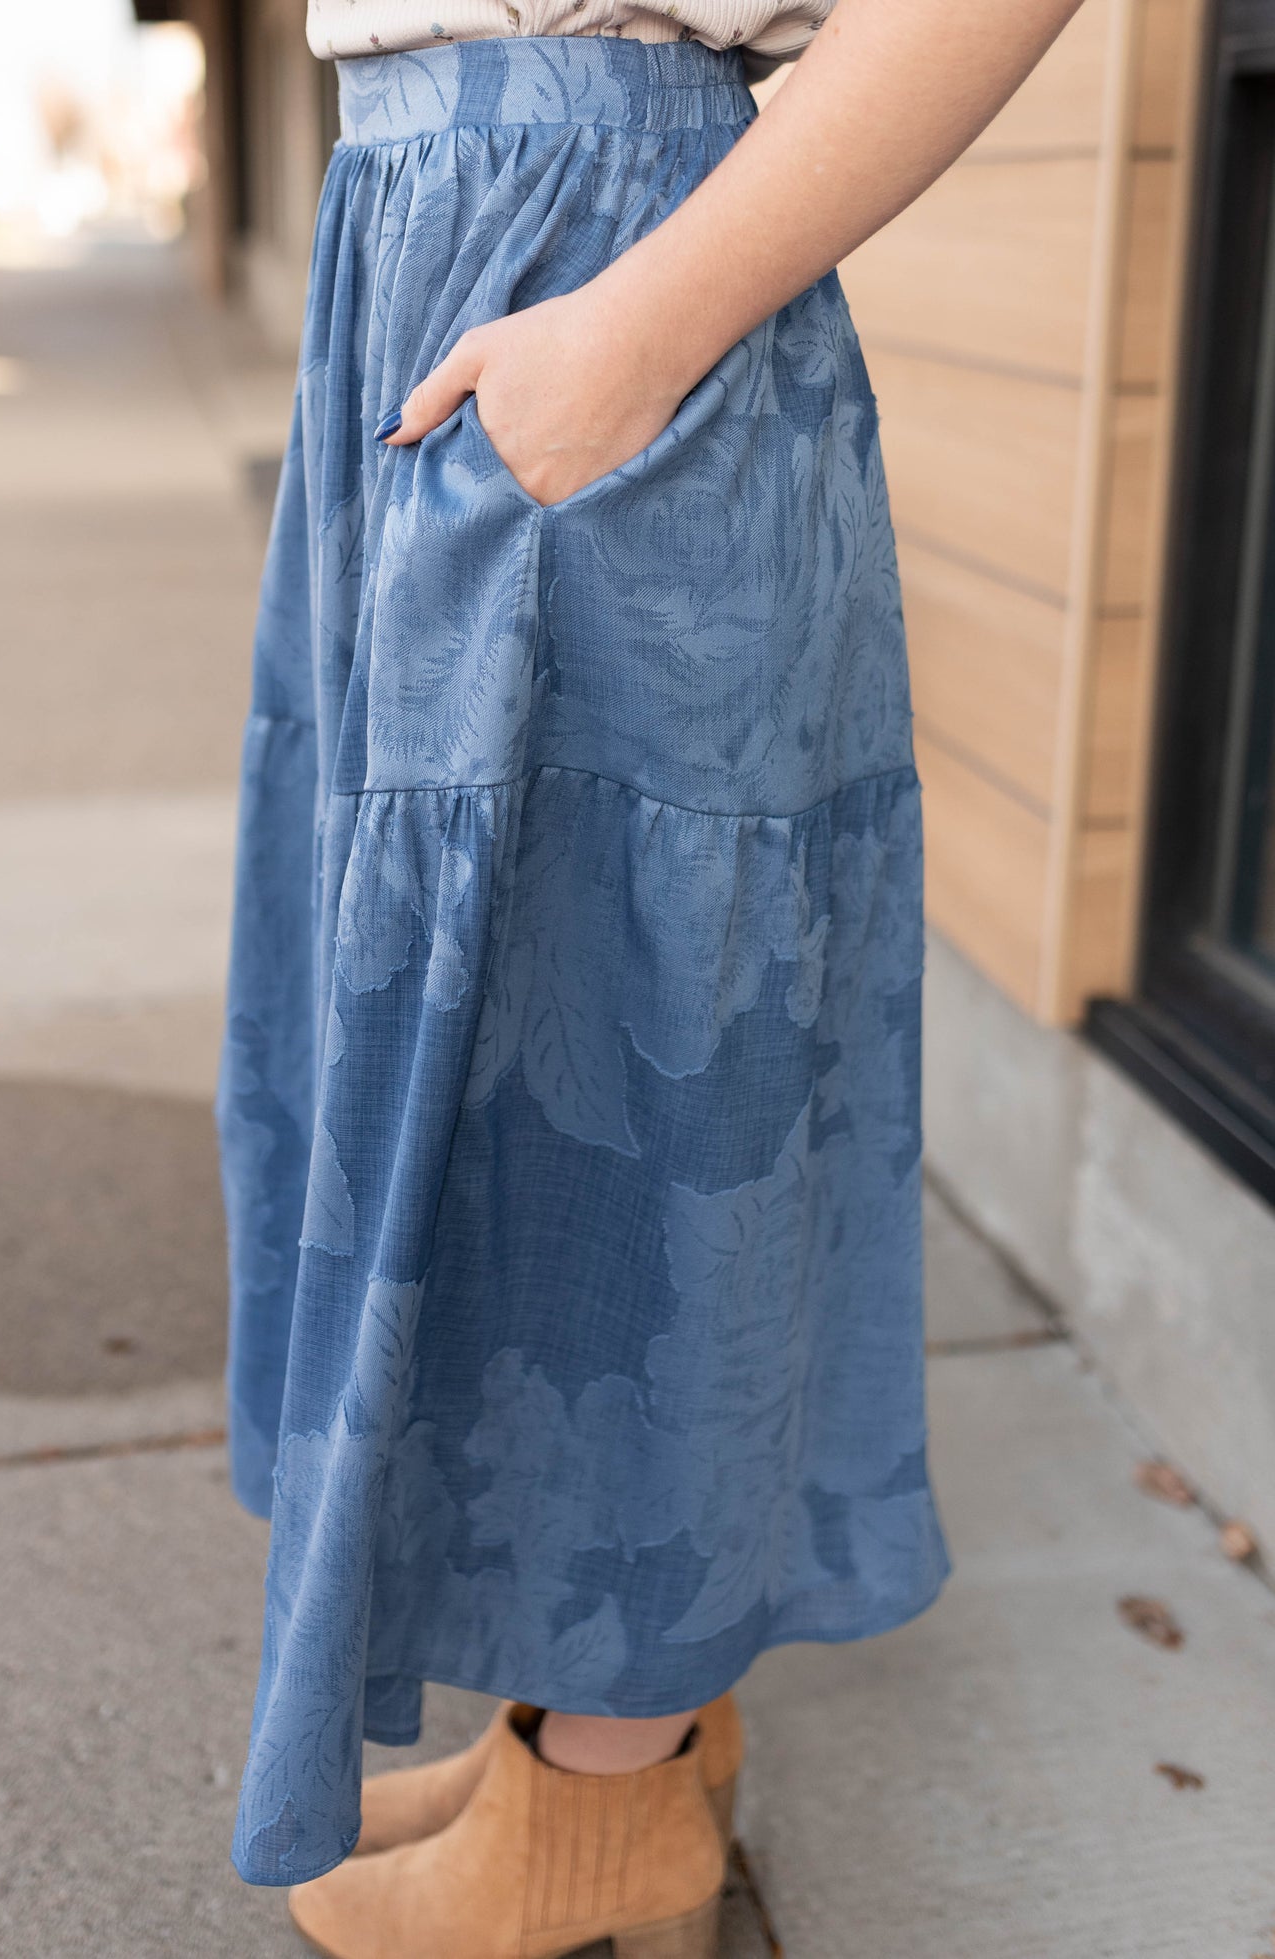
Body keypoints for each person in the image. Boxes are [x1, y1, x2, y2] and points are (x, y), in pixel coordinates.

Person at [213, 1, 1084, 1952]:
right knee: (501, 1023)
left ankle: (600, 1808)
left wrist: (635, 326)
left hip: (599, 262)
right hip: (455, 242)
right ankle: (601, 1722)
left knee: (622, 1043)